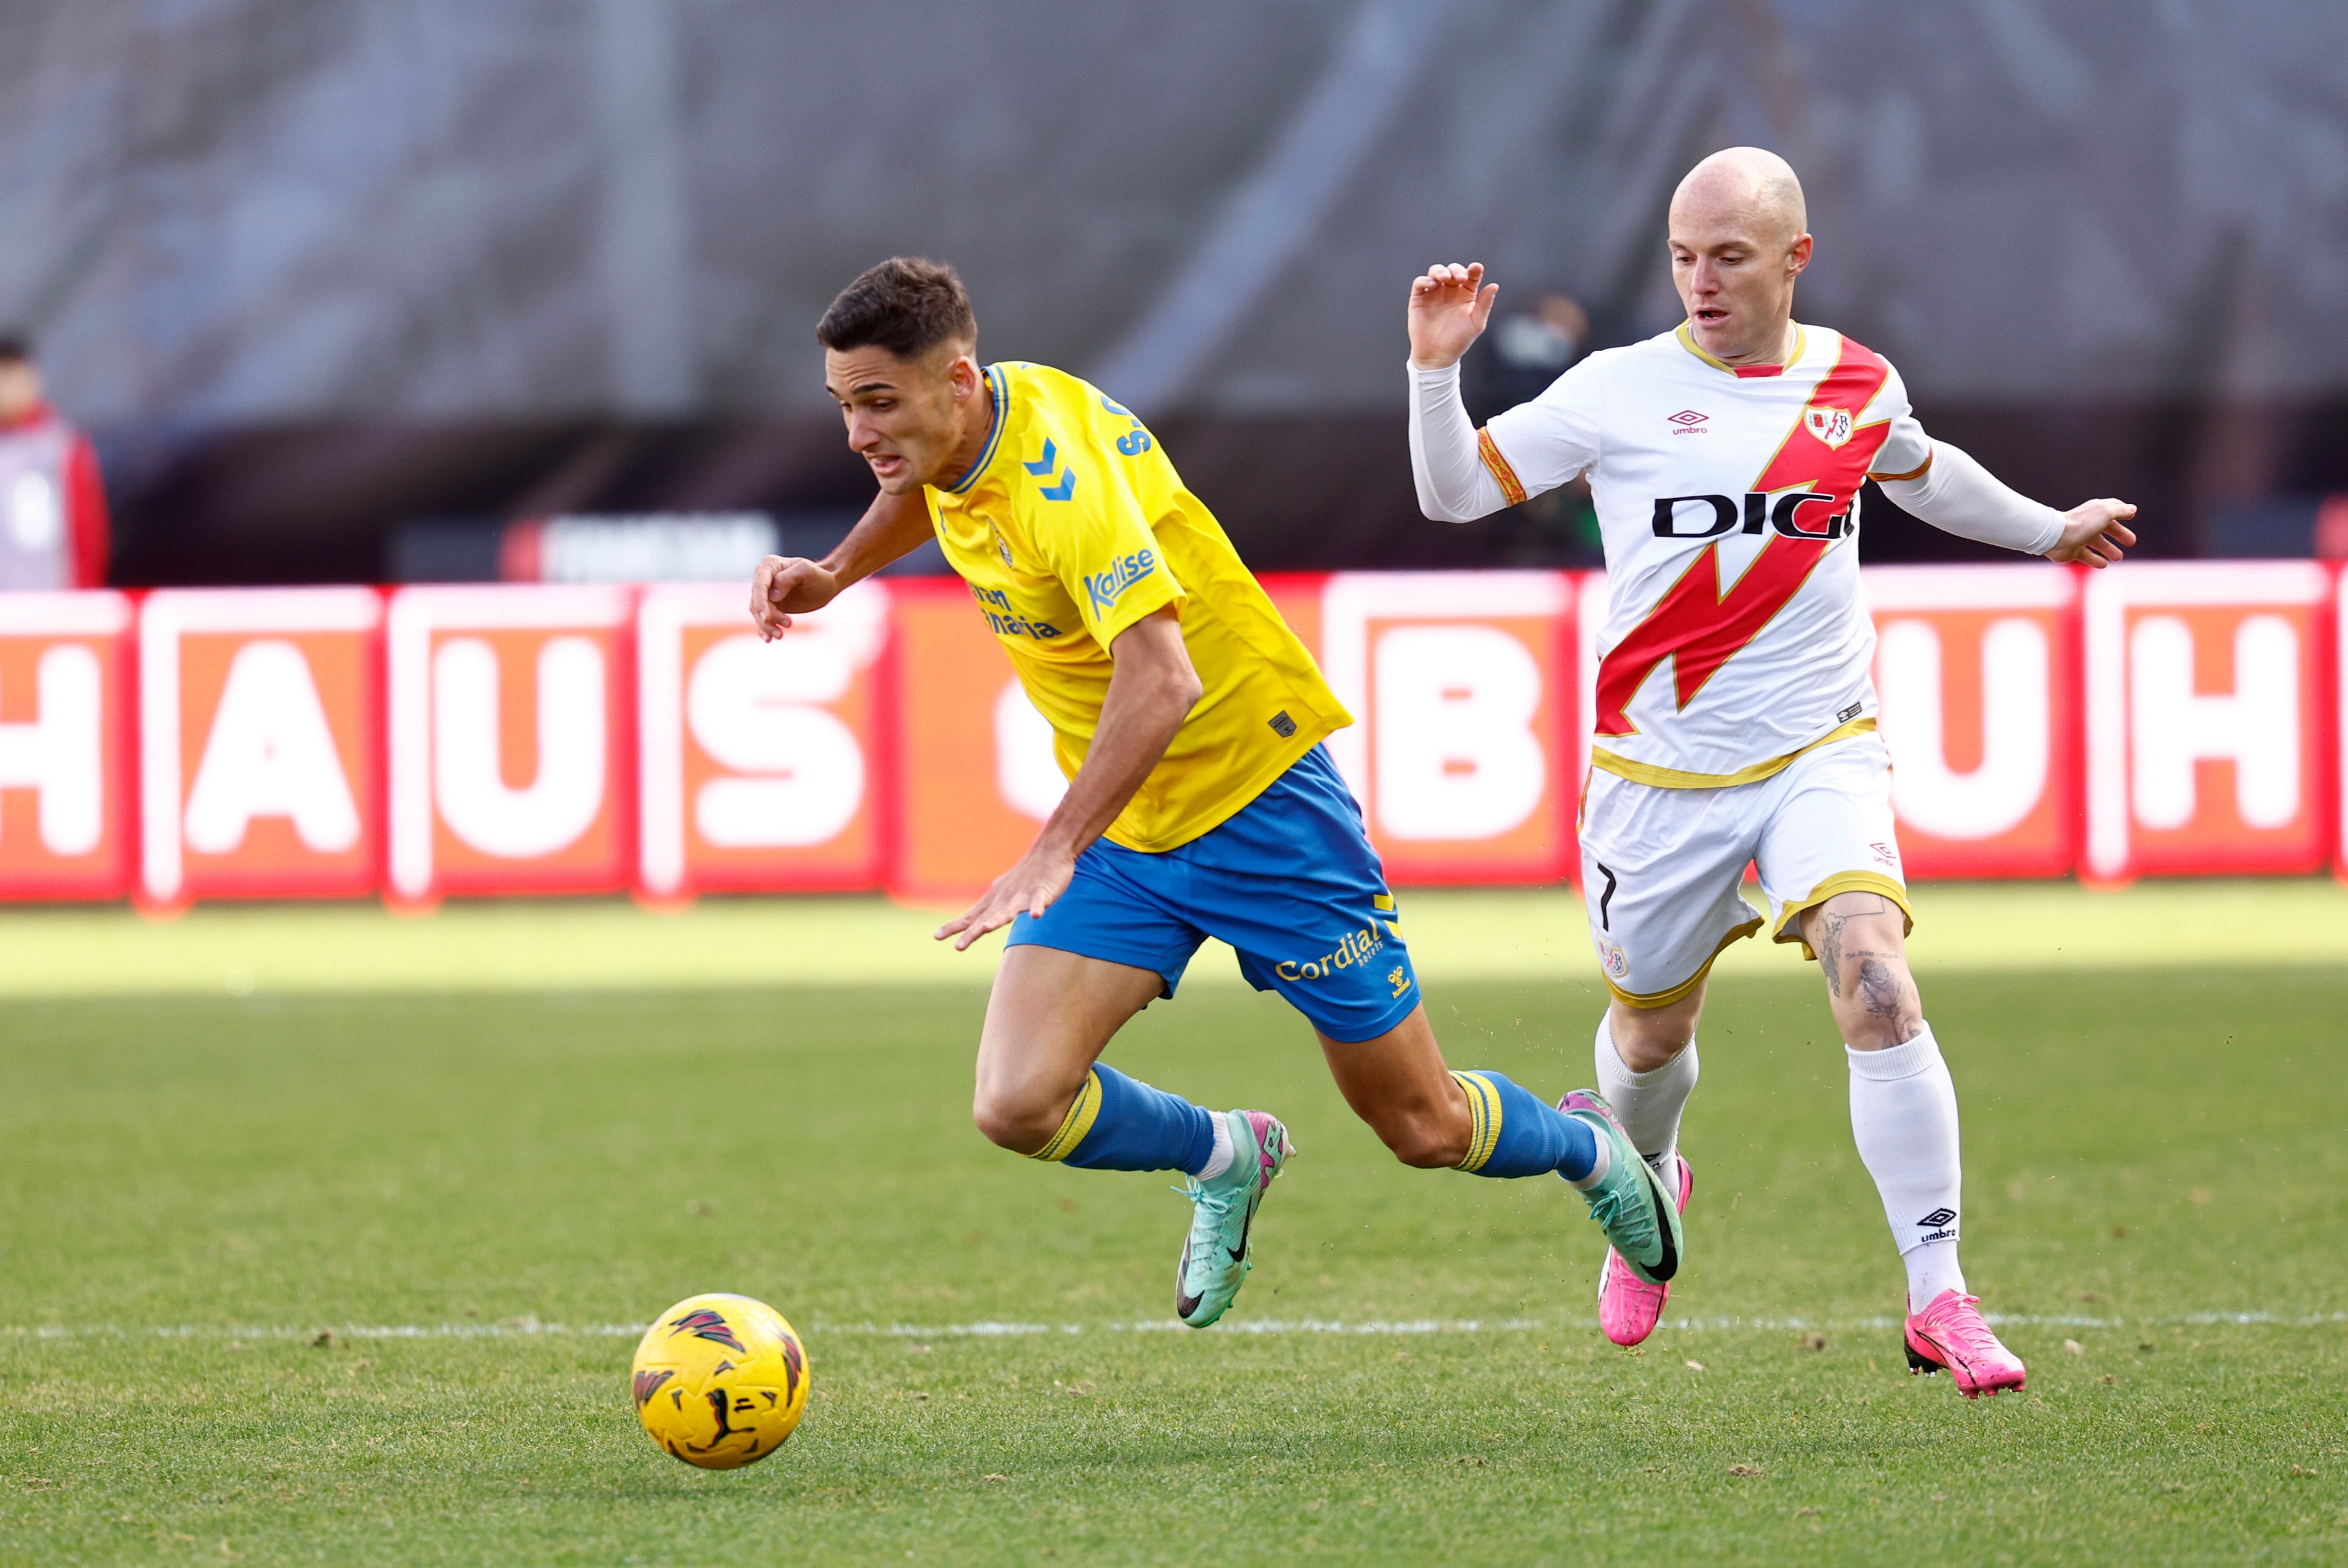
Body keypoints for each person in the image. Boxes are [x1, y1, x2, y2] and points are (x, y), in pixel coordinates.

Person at [751, 257, 1680, 1328]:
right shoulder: (965, 428)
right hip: (1135, 829)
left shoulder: (1062, 485)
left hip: (1261, 802)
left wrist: (1051, 847)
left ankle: (1585, 1144)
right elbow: (922, 484)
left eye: (878, 403)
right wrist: (831, 573)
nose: (860, 433)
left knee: (1421, 1126)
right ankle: (1225, 1151)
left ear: (956, 380)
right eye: (844, 406)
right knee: (1016, 1102)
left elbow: (1161, 679)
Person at [1404, 148, 2138, 1397]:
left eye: (1730, 257)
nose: (1701, 281)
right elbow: (1453, 494)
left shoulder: (1852, 381)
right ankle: (1649, 1181)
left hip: (1819, 747)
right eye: (1685, 257)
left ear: (1795, 259)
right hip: (1657, 772)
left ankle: (1939, 1293)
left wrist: (2046, 527)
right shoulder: (1617, 390)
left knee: (1876, 976)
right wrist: (1436, 370)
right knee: (1650, 1030)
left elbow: (1922, 465)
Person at [0, 334, 110, 590]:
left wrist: (83, 597)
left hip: (51, 604)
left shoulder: (60, 446)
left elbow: (87, 530)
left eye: (11, 377)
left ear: (32, 378)